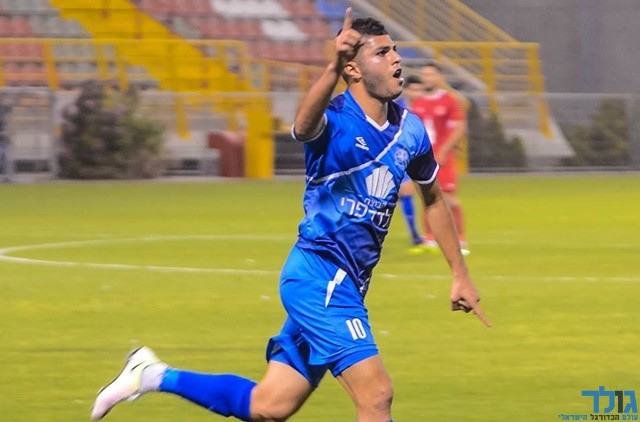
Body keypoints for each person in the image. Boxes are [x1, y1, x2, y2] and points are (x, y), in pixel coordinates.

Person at [90, 9, 489, 422]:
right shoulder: (335, 121)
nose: (396, 59)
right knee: (376, 395)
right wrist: (331, 66)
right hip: (319, 277)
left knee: (269, 406)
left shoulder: (411, 130)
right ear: (353, 68)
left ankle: (152, 374)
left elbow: (433, 199)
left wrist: (459, 273)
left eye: (395, 50)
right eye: (382, 53)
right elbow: (302, 125)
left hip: (348, 283)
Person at [412, 62, 469, 254]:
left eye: (430, 75)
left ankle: (460, 238)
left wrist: (444, 150)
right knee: (426, 196)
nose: (426, 78)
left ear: (440, 77)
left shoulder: (449, 100)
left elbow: (459, 127)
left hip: (444, 159)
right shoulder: (418, 103)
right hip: (424, 158)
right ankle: (430, 237)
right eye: (424, 75)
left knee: (450, 199)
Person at [395, 75, 426, 249]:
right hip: (398, 154)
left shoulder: (424, 107)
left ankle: (415, 233)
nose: (416, 93)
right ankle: (414, 233)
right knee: (405, 191)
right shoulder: (397, 107)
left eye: (419, 89)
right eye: (413, 89)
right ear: (406, 90)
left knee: (407, 194)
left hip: (417, 154)